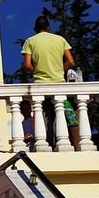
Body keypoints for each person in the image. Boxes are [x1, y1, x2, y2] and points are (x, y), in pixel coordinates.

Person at [21, 14, 80, 150]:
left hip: (41, 86)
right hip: (60, 84)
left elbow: (27, 64)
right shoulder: (60, 39)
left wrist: (37, 70)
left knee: (45, 117)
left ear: (35, 28)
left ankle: (49, 145)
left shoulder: (30, 41)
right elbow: (71, 61)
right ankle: (77, 145)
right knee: (69, 113)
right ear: (48, 27)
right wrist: (59, 68)